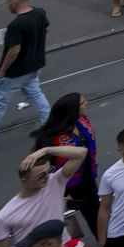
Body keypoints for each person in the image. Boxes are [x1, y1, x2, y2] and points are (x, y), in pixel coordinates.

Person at [0, 0, 51, 148]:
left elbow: (14, 50)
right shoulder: (40, 13)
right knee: (35, 94)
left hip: (16, 72)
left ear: (14, 2)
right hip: (35, 64)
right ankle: (49, 127)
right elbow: (45, 31)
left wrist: (3, 70)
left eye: (7, 3)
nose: (7, 6)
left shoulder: (16, 25)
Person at [30, 92, 99, 237]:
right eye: (82, 103)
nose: (86, 103)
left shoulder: (82, 121)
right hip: (62, 185)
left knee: (95, 216)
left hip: (86, 180)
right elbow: (43, 169)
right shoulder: (50, 138)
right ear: (72, 110)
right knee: (56, 221)